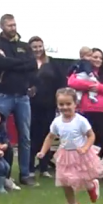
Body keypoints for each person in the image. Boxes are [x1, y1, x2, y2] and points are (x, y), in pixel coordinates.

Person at [0, 14, 37, 186]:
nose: (13, 28)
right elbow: (0, 63)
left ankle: (25, 174)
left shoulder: (24, 46)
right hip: (4, 95)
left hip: (22, 96)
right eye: (9, 25)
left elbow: (32, 65)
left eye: (14, 25)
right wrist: (20, 63)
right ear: (2, 26)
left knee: (25, 136)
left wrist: (10, 62)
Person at [38, 88, 102, 204]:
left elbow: (91, 135)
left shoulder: (81, 121)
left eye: (68, 104)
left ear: (75, 104)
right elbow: (50, 137)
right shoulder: (57, 122)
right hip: (65, 154)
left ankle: (92, 186)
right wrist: (43, 151)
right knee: (65, 181)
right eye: (61, 104)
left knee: (83, 178)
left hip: (81, 154)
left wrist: (85, 148)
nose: (65, 107)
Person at [66, 49, 103, 157]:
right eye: (95, 57)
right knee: (85, 140)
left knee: (101, 140)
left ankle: (98, 163)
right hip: (85, 112)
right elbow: (71, 82)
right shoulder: (81, 70)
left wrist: (100, 87)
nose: (98, 60)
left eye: (100, 58)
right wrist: (90, 85)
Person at [29, 37, 64, 178]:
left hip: (49, 105)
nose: (38, 49)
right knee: (32, 136)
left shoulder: (52, 62)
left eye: (40, 46)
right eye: (34, 47)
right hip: (31, 105)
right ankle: (29, 167)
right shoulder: (26, 63)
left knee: (47, 135)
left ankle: (44, 167)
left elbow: (61, 82)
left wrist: (59, 102)